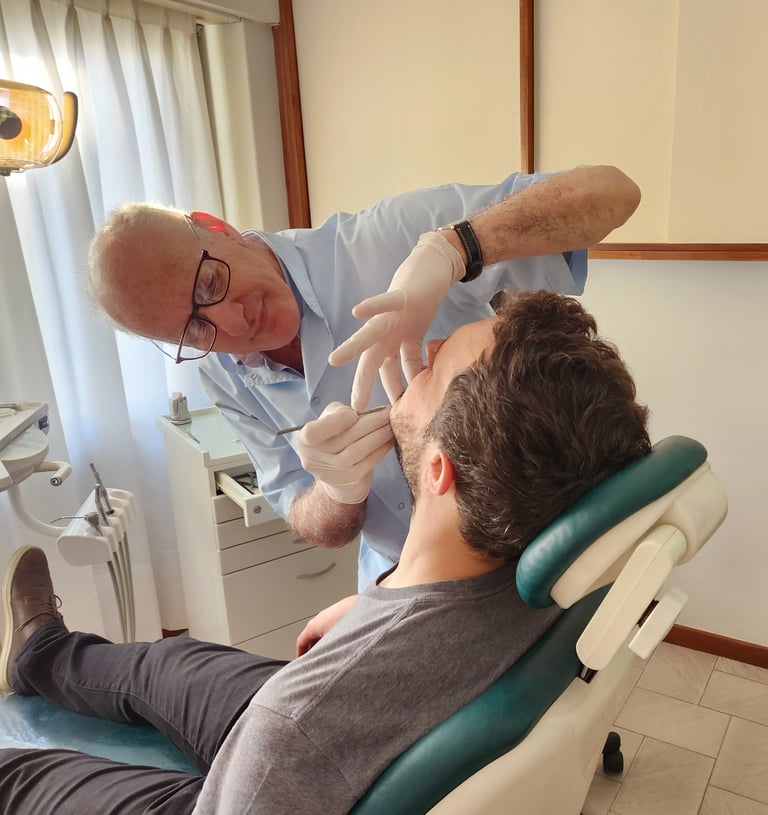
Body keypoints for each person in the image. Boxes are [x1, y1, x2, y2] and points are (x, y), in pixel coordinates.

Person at [0, 291, 651, 814]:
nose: (421, 352)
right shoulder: (549, 546)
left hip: (273, 779)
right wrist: (380, 608)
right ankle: (40, 651)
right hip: (371, 708)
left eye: (437, 363)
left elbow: (276, 757)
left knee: (25, 774)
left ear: (439, 471)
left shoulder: (292, 729)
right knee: (165, 662)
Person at [87, 165, 641, 591]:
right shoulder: (221, 371)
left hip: (518, 552)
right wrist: (335, 491)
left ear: (216, 228)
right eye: (193, 329)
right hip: (396, 578)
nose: (232, 322)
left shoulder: (385, 240)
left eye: (208, 283)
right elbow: (306, 515)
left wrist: (454, 248)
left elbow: (613, 193)